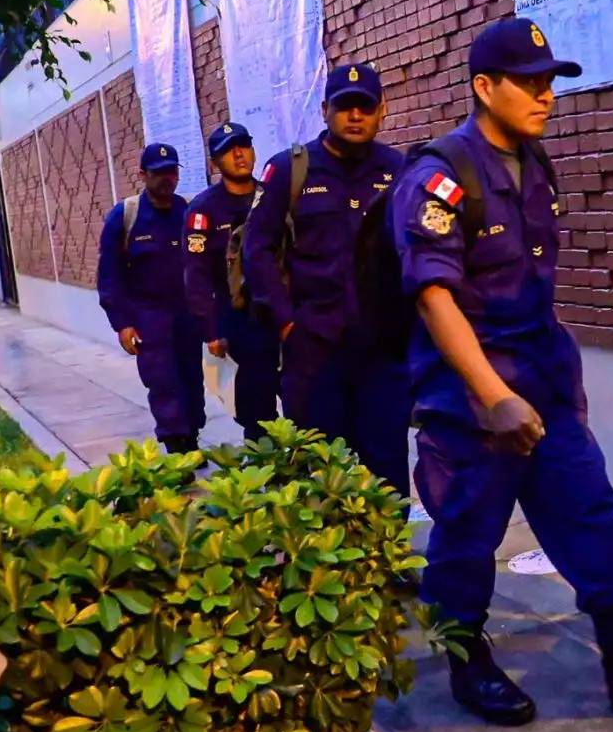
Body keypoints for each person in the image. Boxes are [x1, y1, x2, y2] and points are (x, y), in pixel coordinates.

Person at [391, 17, 613, 726]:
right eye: (530, 83)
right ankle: (466, 660)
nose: (546, 96)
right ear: (485, 86)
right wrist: (490, 395)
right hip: (473, 400)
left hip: (544, 383)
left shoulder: (535, 163)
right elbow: (432, 294)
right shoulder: (440, 174)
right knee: (467, 536)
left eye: (551, 83)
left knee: (588, 515)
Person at [243, 64, 412, 494]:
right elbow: (256, 248)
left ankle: (384, 558)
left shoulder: (400, 171)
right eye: (344, 107)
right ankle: (325, 561)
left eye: (365, 107)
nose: (355, 116)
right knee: (319, 471)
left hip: (381, 356)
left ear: (381, 111)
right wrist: (286, 322)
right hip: (314, 352)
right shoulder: (289, 171)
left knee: (387, 470)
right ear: (324, 111)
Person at [97, 142, 205, 455]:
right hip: (148, 317)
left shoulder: (187, 212)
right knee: (163, 382)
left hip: (186, 315)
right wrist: (122, 324)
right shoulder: (125, 216)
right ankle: (177, 449)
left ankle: (192, 438)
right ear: (142, 174)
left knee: (191, 381)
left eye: (172, 172)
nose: (167, 178)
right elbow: (109, 276)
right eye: (158, 173)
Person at [184, 122, 278, 441]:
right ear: (215, 163)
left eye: (243, 145)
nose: (238, 155)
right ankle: (271, 478)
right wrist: (211, 330)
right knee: (257, 410)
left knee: (303, 401)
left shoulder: (274, 196)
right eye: (227, 151)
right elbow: (196, 275)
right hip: (239, 320)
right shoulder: (203, 210)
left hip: (284, 314)